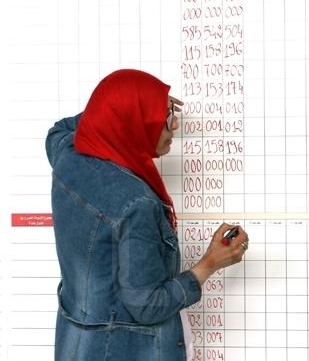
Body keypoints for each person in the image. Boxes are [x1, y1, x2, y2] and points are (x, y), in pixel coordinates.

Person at [46, 69, 249, 360]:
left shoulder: (67, 154)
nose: (174, 123)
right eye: (164, 117)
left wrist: (129, 106)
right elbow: (147, 305)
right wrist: (210, 263)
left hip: (76, 343)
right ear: (129, 123)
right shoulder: (137, 204)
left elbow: (59, 128)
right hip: (120, 350)